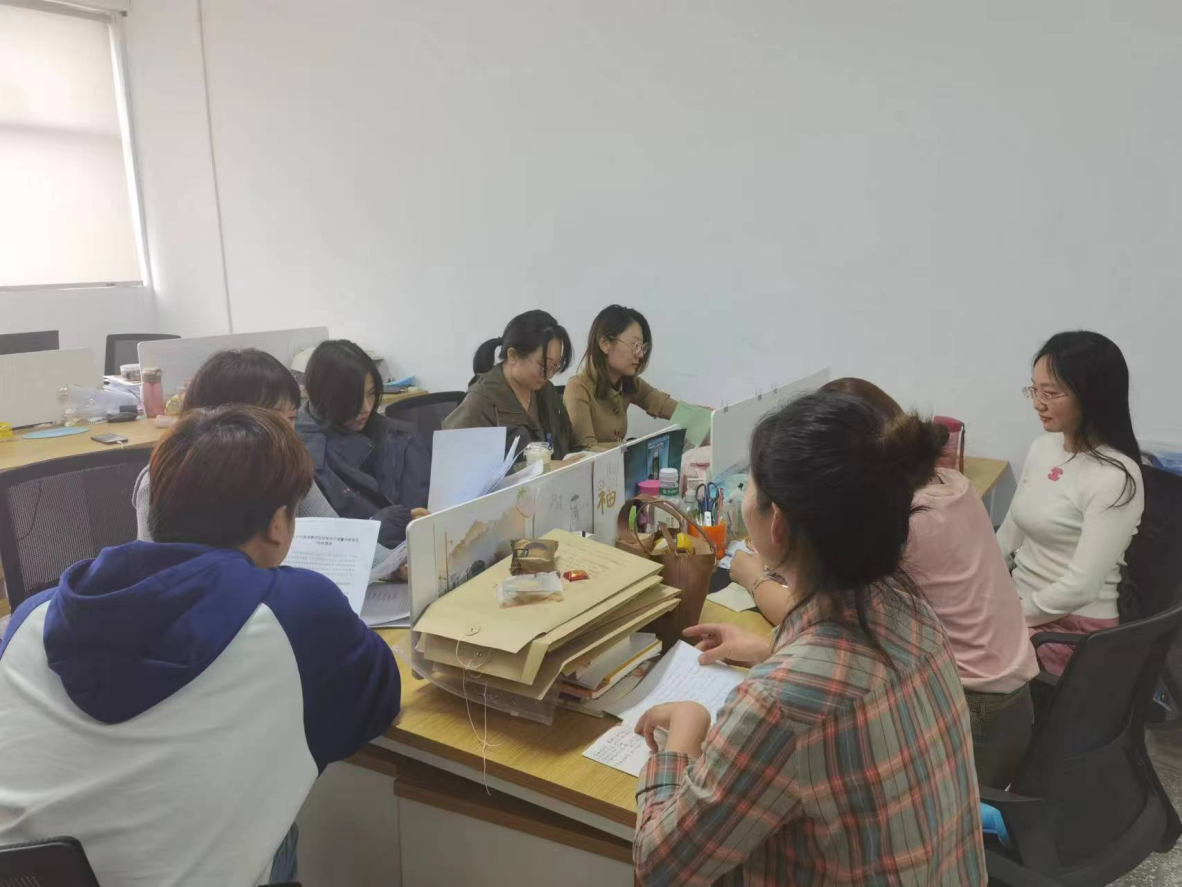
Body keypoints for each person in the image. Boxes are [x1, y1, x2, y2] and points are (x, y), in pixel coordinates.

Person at [0, 406, 401, 887]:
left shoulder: (31, 615)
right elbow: (376, 704)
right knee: (276, 822)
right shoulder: (296, 612)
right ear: (278, 524)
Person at [632, 391, 985, 886]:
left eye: (750, 487)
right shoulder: (913, 612)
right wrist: (773, 647)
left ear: (776, 523)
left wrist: (684, 736)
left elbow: (659, 866)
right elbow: (847, 678)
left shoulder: (780, 704)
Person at [786, 377, 1035, 787]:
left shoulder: (904, 518)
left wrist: (754, 576)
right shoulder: (954, 484)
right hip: (1011, 700)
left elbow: (827, 619)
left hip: (972, 712)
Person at [132, 348, 404, 576]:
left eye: (292, 418)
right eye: (272, 419)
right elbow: (154, 573)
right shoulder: (162, 479)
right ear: (218, 419)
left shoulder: (285, 466)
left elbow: (335, 533)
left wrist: (395, 564)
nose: (286, 432)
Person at [997, 331, 1144, 674]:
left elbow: (1081, 587)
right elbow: (1009, 534)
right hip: (1022, 603)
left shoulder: (1116, 477)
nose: (1038, 403)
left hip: (1072, 628)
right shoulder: (1042, 448)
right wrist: (981, 584)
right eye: (1034, 390)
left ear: (1092, 397)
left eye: (1050, 393)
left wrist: (1007, 614)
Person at [297, 339, 431, 548]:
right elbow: (329, 543)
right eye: (353, 398)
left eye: (371, 394)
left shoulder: (400, 437)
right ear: (322, 396)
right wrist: (388, 525)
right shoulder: (302, 458)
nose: (367, 408)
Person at [443, 309, 580, 460]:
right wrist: (540, 468)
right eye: (543, 364)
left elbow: (569, 443)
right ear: (513, 355)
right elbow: (454, 462)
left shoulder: (546, 391)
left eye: (555, 365)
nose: (549, 375)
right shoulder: (482, 400)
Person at [563, 305, 678, 448]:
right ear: (605, 344)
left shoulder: (628, 382)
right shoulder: (578, 386)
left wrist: (704, 417)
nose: (640, 354)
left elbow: (663, 404)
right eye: (634, 344)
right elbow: (587, 449)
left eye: (642, 347)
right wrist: (633, 448)